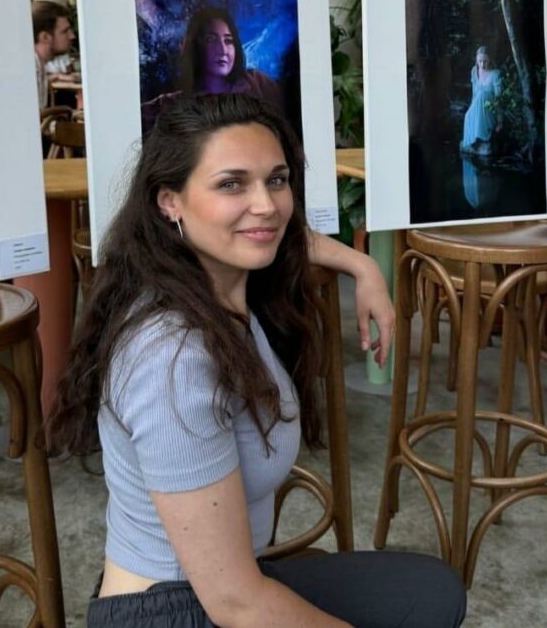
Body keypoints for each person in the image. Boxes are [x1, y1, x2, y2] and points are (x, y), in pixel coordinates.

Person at [47, 93, 467, 628]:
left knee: (433, 592)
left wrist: (364, 267)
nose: (266, 205)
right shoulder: (173, 359)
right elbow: (236, 604)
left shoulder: (214, 284)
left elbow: (283, 233)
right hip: (172, 610)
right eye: (231, 184)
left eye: (277, 179)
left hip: (217, 584)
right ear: (170, 201)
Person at [141, 6, 283, 134]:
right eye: (211, 40)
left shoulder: (258, 83)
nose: (223, 50)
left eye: (228, 41)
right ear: (195, 46)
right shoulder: (173, 104)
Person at [33, 0, 76, 110]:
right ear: (45, 37)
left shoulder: (39, 65)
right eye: (65, 31)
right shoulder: (32, 70)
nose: (72, 36)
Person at [460, 46, 501, 156]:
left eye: (485, 61)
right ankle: (473, 142)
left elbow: (498, 98)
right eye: (480, 61)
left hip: (489, 110)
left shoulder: (495, 74)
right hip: (477, 105)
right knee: (468, 116)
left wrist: (500, 121)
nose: (482, 64)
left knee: (483, 94)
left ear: (490, 60)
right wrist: (471, 110)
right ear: (476, 60)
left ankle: (483, 138)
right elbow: (474, 94)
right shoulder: (475, 71)